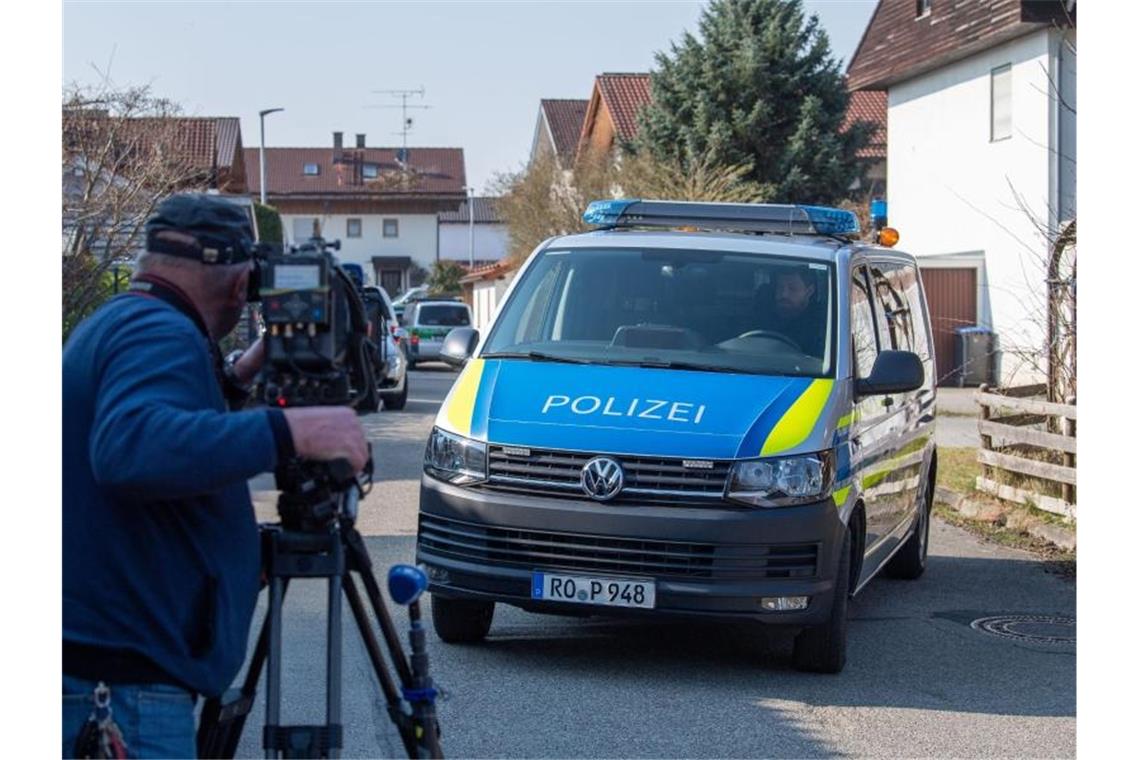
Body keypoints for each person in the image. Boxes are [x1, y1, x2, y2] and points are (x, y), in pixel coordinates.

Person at [62, 194, 368, 758]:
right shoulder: (158, 333)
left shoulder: (121, 322)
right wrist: (289, 432)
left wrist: (233, 379)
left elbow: (161, 423)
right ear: (239, 283)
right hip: (123, 695)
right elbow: (131, 448)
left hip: (108, 677)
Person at [755, 265, 827, 358]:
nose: (784, 294)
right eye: (780, 287)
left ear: (809, 291)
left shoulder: (823, 325)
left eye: (792, 289)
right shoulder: (761, 317)